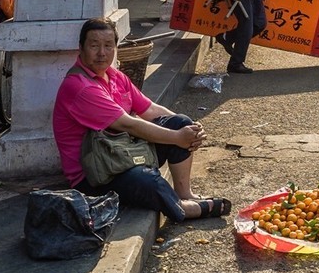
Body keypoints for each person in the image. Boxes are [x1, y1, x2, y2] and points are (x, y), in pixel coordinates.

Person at [52, 18, 231, 221]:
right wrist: (177, 137)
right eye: (94, 46)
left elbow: (150, 109)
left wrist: (191, 131)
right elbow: (128, 124)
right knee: (147, 181)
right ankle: (183, 208)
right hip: (94, 174)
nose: (102, 52)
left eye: (108, 46)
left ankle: (185, 194)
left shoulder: (115, 76)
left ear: (115, 48)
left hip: (122, 152)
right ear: (81, 48)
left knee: (181, 122)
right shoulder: (79, 86)